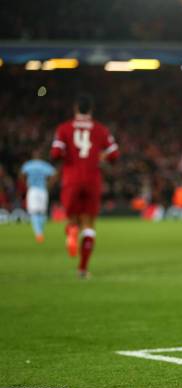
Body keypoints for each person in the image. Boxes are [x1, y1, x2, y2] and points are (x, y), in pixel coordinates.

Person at [50, 94, 119, 277]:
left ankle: (71, 230)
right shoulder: (101, 129)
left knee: (72, 219)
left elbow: (55, 153)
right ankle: (82, 269)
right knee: (89, 225)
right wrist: (99, 156)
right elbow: (114, 156)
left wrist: (69, 155)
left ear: (75, 109)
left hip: (71, 179)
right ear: (91, 110)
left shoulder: (64, 128)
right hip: (92, 180)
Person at [20, 149, 56, 242]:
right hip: (43, 190)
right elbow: (53, 174)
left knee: (34, 212)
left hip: (33, 190)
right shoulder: (44, 165)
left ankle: (38, 233)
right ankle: (40, 232)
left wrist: (26, 184)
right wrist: (48, 185)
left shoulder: (28, 165)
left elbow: (22, 175)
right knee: (42, 212)